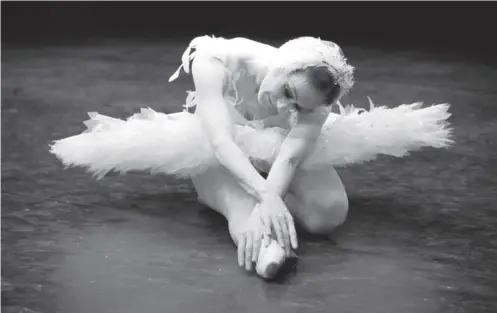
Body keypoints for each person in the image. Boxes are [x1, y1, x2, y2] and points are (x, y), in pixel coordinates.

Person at [50, 35, 453, 280]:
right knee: (245, 206)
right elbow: (222, 141)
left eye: (299, 106)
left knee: (329, 214)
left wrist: (272, 196)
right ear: (282, 65)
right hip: (218, 150)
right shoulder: (216, 60)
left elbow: (292, 157)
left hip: (273, 153)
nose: (286, 107)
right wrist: (264, 196)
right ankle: (264, 248)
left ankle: (268, 218)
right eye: (286, 93)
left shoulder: (318, 102)